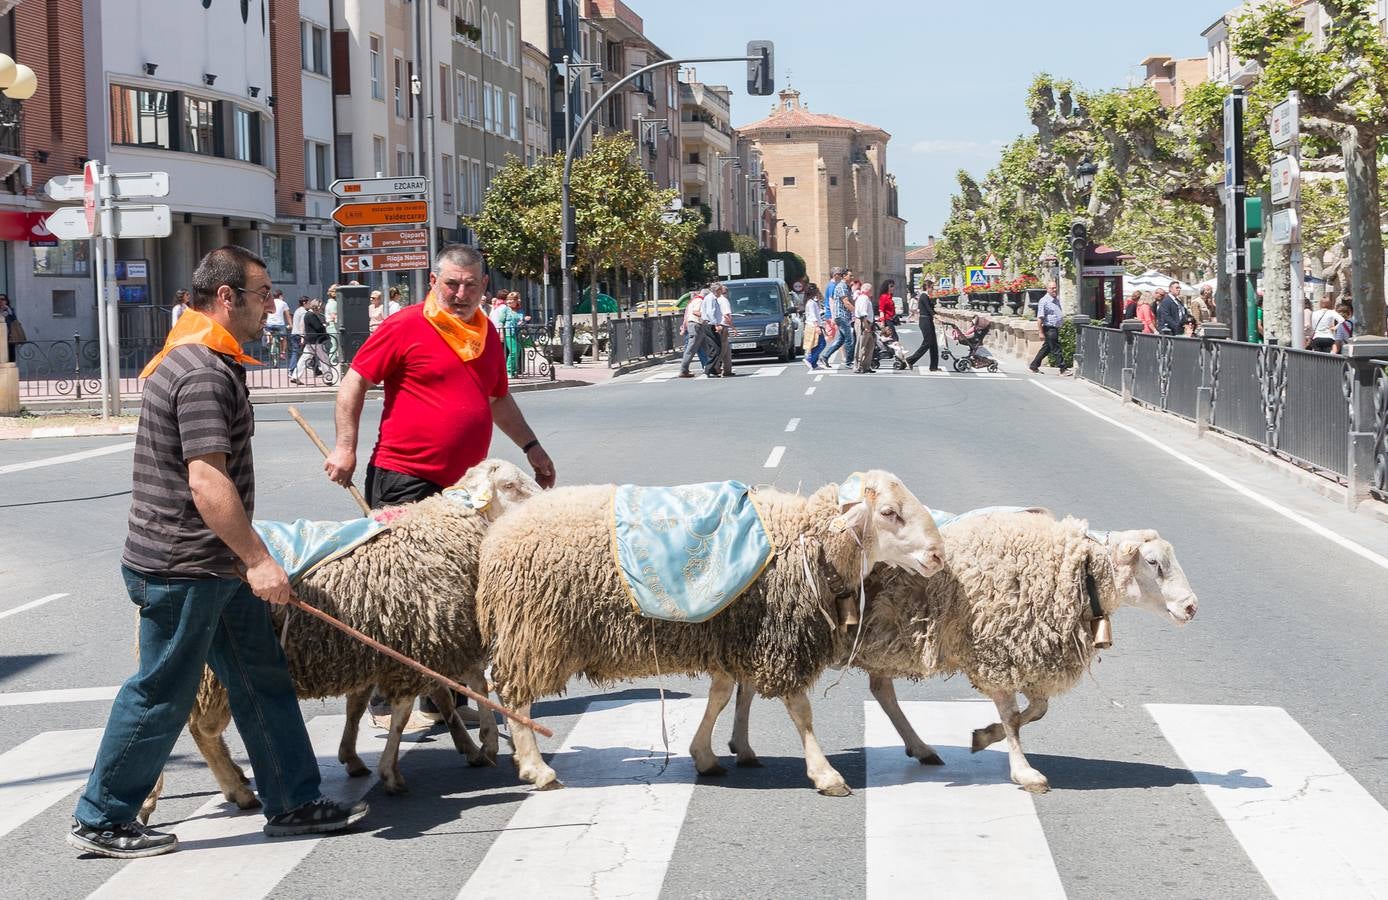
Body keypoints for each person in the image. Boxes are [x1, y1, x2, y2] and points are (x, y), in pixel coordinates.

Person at [68, 246, 367, 860]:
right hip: (185, 565)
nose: (270, 306)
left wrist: (242, 561)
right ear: (225, 297)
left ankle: (291, 801)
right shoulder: (202, 371)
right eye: (261, 295)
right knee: (162, 691)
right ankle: (102, 814)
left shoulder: (193, 356)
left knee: (261, 679)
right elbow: (207, 482)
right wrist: (259, 559)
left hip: (210, 565)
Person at [1029, 281, 1068, 374]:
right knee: (1056, 349)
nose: (1054, 290)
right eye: (1052, 288)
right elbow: (1040, 318)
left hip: (1054, 328)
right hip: (1049, 328)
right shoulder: (1044, 301)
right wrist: (1040, 332)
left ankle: (1034, 366)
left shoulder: (1056, 299)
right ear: (1047, 289)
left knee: (1046, 349)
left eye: (1055, 287)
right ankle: (1063, 369)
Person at [290, 299, 332, 384]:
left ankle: (295, 376)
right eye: (320, 307)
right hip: (316, 341)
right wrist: (324, 326)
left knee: (304, 358)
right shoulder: (312, 315)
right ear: (316, 307)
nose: (321, 309)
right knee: (324, 358)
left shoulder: (308, 314)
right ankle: (328, 378)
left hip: (310, 340)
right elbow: (318, 327)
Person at [821, 268, 854, 369]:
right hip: (842, 316)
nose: (852, 277)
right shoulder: (842, 286)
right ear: (844, 276)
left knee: (841, 339)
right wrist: (856, 312)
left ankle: (825, 356)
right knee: (850, 339)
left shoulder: (845, 286)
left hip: (843, 316)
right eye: (850, 276)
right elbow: (846, 302)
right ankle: (848, 361)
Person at [678, 289, 714, 377]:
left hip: (696, 325)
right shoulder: (700, 301)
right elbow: (695, 312)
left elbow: (687, 315)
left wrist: (684, 327)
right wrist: (708, 316)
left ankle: (711, 367)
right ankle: (684, 370)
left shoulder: (693, 300)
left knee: (706, 348)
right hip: (696, 325)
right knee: (691, 349)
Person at [905, 282, 940, 372]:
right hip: (925, 321)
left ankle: (934, 366)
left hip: (928, 320)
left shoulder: (927, 296)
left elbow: (931, 308)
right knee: (927, 343)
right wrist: (935, 315)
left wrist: (935, 314)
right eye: (932, 287)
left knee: (933, 344)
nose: (933, 289)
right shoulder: (924, 296)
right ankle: (910, 360)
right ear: (927, 287)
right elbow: (928, 309)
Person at [706, 281, 735, 377]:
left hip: (720, 325)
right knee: (721, 349)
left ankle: (727, 369)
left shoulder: (717, 299)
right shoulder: (723, 300)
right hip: (721, 326)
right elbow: (726, 315)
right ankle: (714, 367)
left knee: (726, 350)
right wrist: (733, 327)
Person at [498, 292, 527, 376]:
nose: (509, 301)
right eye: (508, 299)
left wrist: (524, 319)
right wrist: (501, 334)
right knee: (513, 352)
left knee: (517, 352)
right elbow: (501, 322)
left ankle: (513, 370)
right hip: (509, 333)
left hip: (518, 334)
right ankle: (508, 371)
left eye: (512, 300)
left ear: (517, 301)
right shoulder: (506, 310)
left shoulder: (520, 311)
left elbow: (521, 321)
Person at [802, 283, 826, 371]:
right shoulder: (811, 303)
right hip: (813, 326)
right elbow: (813, 315)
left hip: (813, 325)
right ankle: (809, 359)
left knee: (816, 345)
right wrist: (817, 327)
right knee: (821, 344)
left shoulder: (811, 302)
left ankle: (814, 364)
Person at [263, 289, 292, 363]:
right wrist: (290, 324)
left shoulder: (269, 303)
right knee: (284, 337)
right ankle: (282, 352)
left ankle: (268, 336)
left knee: (266, 330)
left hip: (269, 324)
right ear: (280, 296)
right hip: (280, 325)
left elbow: (265, 313)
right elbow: (287, 315)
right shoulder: (283, 303)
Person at [854, 281, 875, 373]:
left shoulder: (865, 298)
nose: (872, 292)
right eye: (871, 290)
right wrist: (866, 326)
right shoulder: (863, 298)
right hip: (863, 322)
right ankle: (858, 365)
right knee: (861, 344)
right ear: (868, 290)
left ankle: (866, 365)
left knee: (870, 345)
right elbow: (863, 314)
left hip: (867, 322)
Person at [288, 295, 310, 371]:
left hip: (294, 333)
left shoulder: (297, 310)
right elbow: (302, 325)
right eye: (308, 302)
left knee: (298, 352)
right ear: (304, 303)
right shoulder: (304, 312)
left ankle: (315, 369)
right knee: (307, 352)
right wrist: (302, 337)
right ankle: (292, 369)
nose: (309, 304)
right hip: (299, 335)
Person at [1, 293, 22, 358]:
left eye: (2, 299)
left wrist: (8, 309)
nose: (1, 301)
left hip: (9, 336)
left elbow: (14, 320)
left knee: (11, 354)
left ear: (6, 301)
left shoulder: (10, 310)